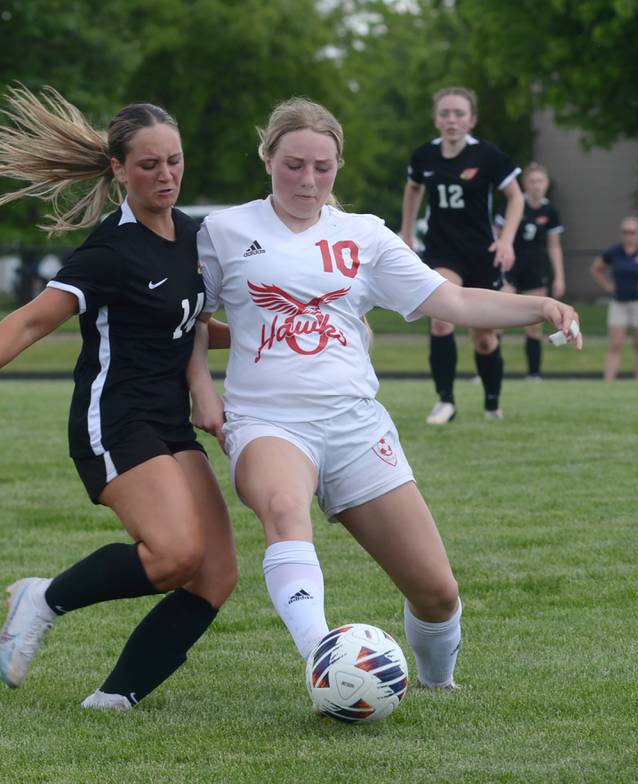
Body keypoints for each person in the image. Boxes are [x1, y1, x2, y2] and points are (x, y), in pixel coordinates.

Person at [189, 97, 581, 690]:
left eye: (323, 166)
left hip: (354, 426)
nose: (308, 180)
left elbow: (452, 301)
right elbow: (190, 320)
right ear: (267, 157)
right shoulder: (223, 230)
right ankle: (323, 657)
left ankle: (436, 682)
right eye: (293, 164)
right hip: (268, 421)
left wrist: (540, 306)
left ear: (338, 165)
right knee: (285, 509)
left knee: (436, 591)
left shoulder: (364, 236)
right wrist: (202, 391)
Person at [0, 85, 237, 712]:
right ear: (118, 170)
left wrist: (281, 329)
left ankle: (116, 696)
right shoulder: (111, 250)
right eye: (148, 165)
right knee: (173, 555)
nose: (166, 175)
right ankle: (44, 598)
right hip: (113, 422)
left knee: (215, 574)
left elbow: (189, 323)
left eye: (175, 160)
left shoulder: (195, 236)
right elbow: (32, 321)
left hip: (168, 424)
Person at [400, 86, 524, 423]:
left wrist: (507, 240)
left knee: (484, 338)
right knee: (441, 318)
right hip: (442, 250)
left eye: (458, 114)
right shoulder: (423, 156)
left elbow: (516, 197)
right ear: (436, 118)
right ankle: (446, 401)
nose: (451, 120)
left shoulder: (487, 155)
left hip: (480, 253)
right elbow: (413, 189)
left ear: (471, 119)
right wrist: (406, 233)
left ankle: (492, 403)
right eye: (445, 113)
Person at [496, 162, 565, 380]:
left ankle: (534, 374)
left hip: (536, 271)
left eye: (540, 181)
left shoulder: (550, 211)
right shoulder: (515, 205)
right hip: (510, 268)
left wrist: (560, 277)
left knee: (535, 325)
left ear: (547, 184)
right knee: (496, 320)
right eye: (532, 181)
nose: (536, 185)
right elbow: (497, 237)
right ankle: (490, 371)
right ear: (525, 183)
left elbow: (554, 245)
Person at [591, 216, 638, 380]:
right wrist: (607, 285)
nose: (628, 235)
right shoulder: (614, 252)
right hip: (619, 303)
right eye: (625, 232)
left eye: (632, 232)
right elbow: (596, 268)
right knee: (615, 345)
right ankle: (608, 382)